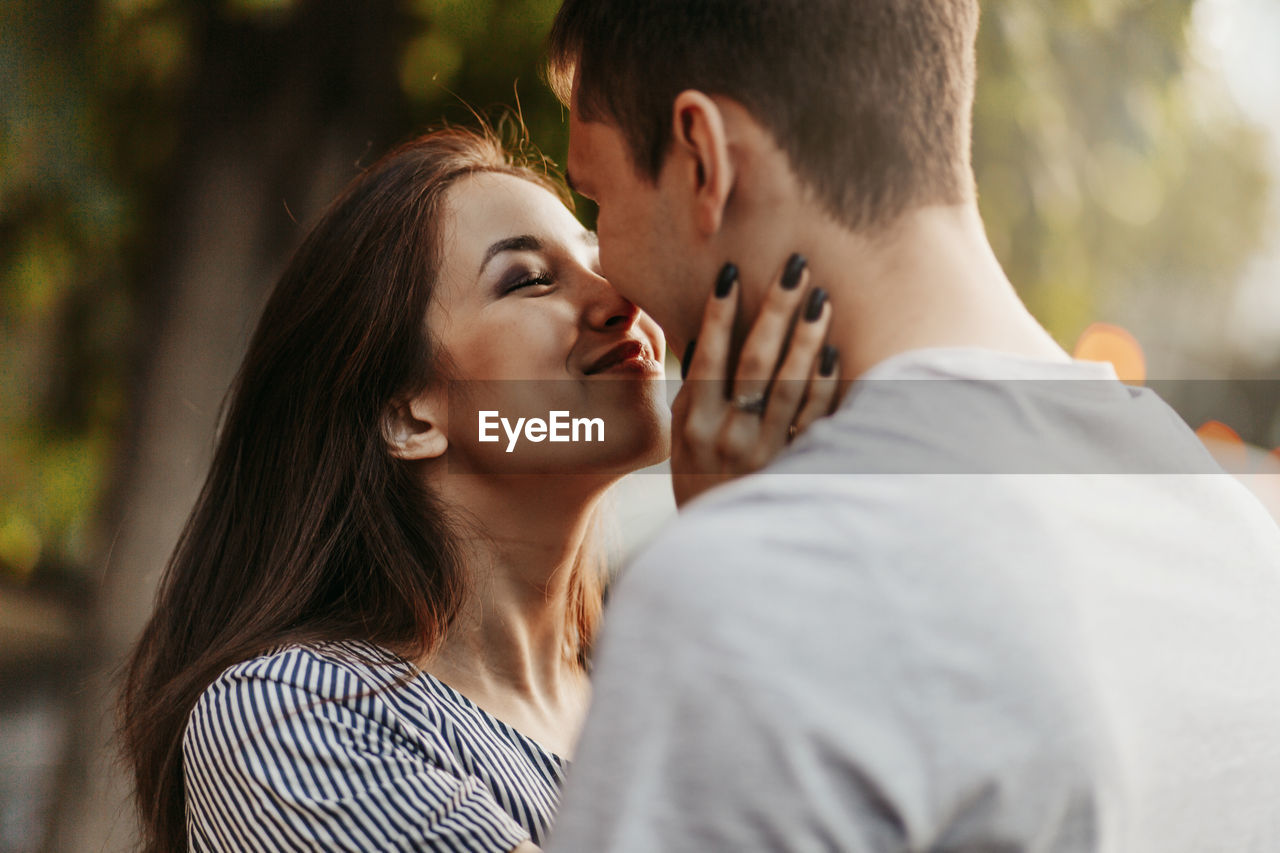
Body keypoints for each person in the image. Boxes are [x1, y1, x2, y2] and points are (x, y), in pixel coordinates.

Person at [541, 1, 1280, 851]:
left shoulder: (740, 601)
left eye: (595, 197)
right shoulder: (1235, 533)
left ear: (704, 158)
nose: (607, 276)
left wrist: (737, 563)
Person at [118, 127, 838, 853]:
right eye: (529, 279)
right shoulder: (289, 715)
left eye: (601, 259)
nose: (618, 298)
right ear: (408, 414)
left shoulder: (658, 705)